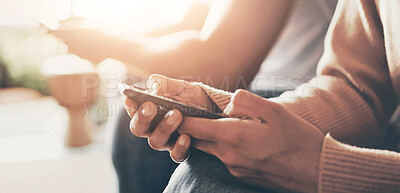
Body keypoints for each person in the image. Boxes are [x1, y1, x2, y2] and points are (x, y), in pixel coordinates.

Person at [52, 0, 338, 192]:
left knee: (138, 141)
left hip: (302, 87)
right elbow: (185, 29)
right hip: (260, 84)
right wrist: (106, 36)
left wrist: (103, 42)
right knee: (143, 112)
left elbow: (218, 60)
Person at [123, 0, 400, 192]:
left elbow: (216, 59)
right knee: (204, 168)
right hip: (299, 92)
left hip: (289, 81)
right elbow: (357, 89)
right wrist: (218, 107)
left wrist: (321, 168)